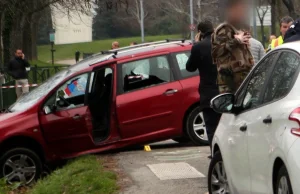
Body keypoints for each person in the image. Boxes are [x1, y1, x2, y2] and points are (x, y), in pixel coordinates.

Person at [186, 20, 221, 153]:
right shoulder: (222, 44)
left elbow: (190, 67)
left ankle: (215, 154)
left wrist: (196, 44)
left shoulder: (199, 47)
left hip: (208, 93)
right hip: (224, 92)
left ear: (200, 32)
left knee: (211, 127)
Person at [212, 0, 254, 94]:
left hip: (243, 77)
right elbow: (216, 52)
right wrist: (236, 41)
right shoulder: (224, 29)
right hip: (229, 81)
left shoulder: (240, 27)